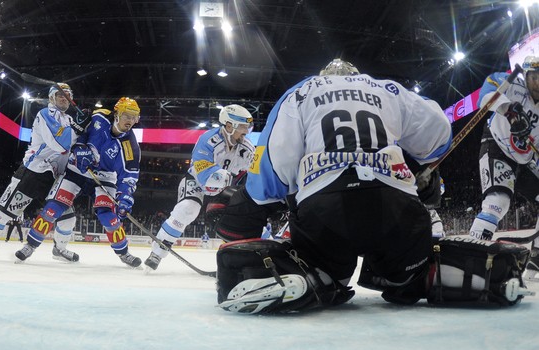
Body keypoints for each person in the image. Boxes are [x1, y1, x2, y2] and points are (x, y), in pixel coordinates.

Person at [213, 58, 525, 314]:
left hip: (325, 211)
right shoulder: (385, 88)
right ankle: (460, 275)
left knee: (325, 270)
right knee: (408, 274)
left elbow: (276, 166)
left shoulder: (300, 92)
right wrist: (422, 168)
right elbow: (438, 132)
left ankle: (312, 278)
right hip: (397, 208)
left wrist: (258, 205)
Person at [15, 97, 142, 267]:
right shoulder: (99, 117)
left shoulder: (131, 147)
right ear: (117, 114)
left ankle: (124, 253)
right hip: (77, 170)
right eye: (127, 115)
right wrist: (79, 149)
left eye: (135, 117)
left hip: (104, 177)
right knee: (54, 208)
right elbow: (78, 134)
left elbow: (128, 178)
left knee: (108, 217)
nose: (131, 121)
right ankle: (30, 245)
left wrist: (125, 196)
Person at [0, 82, 88, 260]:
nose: (64, 98)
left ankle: (59, 250)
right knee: (4, 212)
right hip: (35, 171)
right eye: (60, 94)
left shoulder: (69, 120)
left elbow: (76, 145)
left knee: (68, 217)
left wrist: (86, 125)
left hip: (56, 177)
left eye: (67, 94)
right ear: (51, 98)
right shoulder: (45, 114)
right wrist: (78, 129)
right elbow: (59, 144)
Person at [143, 104, 255, 270]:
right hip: (197, 181)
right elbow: (205, 177)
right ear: (229, 125)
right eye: (242, 127)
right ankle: (157, 253)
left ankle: (239, 259)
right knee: (187, 208)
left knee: (240, 216)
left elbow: (253, 175)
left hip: (225, 187)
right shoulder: (207, 140)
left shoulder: (247, 148)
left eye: (248, 127)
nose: (246, 132)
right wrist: (225, 179)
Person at [468, 56, 539, 282]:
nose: (538, 83)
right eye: (534, 77)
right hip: (497, 145)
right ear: (526, 76)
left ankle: (536, 260)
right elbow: (485, 95)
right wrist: (509, 110)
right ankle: (471, 256)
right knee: (498, 201)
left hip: (527, 159)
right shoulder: (513, 84)